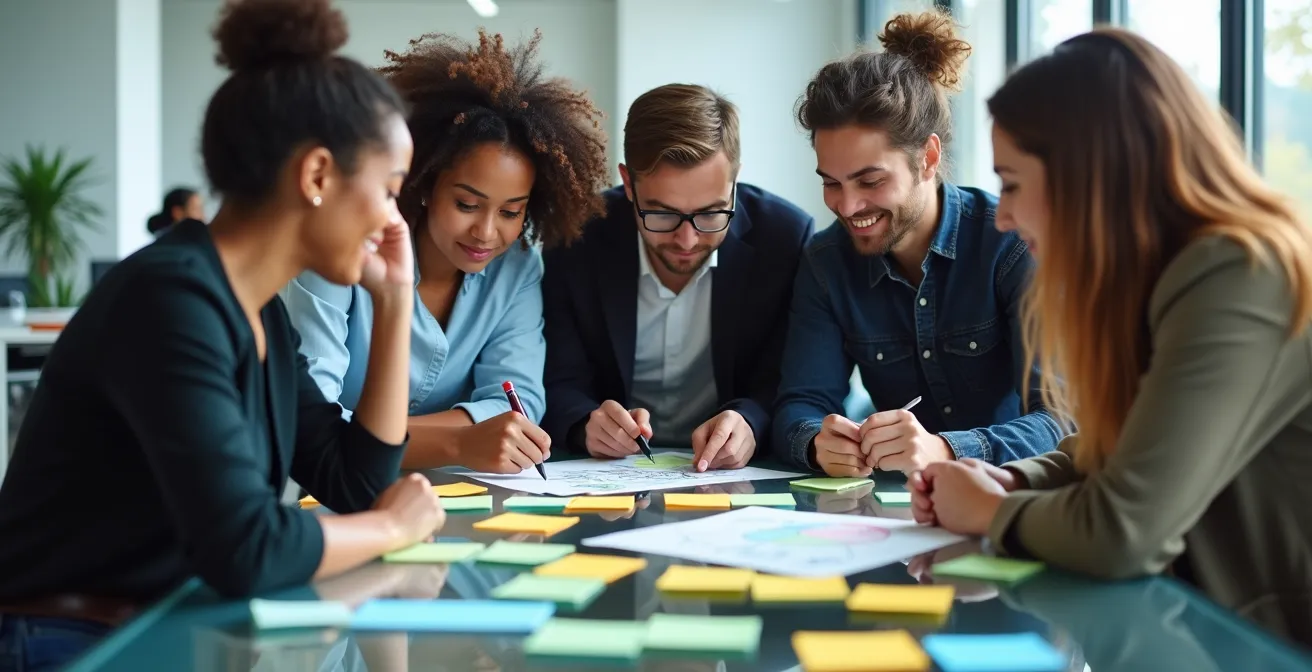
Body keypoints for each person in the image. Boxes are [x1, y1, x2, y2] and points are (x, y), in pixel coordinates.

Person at [0, 0, 445, 666]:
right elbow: (249, 550)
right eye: (389, 188)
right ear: (317, 175)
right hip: (69, 641)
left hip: (167, 624)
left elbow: (352, 482)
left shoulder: (256, 308)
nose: (392, 218)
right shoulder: (170, 299)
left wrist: (394, 303)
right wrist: (390, 527)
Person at [911, 28, 1312, 646]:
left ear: (1090, 174)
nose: (1003, 216)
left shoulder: (1239, 274)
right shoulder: (1167, 278)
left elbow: (1125, 531)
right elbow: (1113, 448)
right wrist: (1014, 482)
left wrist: (990, 512)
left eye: (1013, 182)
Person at [284, 29, 610, 475]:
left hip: (463, 496)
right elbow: (311, 423)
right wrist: (459, 439)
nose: (486, 233)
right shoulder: (339, 256)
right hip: (331, 496)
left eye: (512, 212)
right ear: (423, 184)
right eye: (466, 204)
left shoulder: (517, 269)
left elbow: (521, 402)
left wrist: (395, 437)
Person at [772, 11, 1065, 478]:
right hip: (894, 514)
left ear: (927, 158)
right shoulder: (826, 262)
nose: (847, 206)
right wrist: (816, 442)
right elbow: (800, 404)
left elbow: (1062, 418)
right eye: (831, 183)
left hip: (1009, 500)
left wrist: (946, 449)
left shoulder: (1010, 245)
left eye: (870, 180)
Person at [542, 84, 815, 472]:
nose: (687, 240)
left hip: (734, 479)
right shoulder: (575, 238)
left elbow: (788, 378)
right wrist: (586, 423)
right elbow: (557, 377)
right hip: (608, 477)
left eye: (710, 214)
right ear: (629, 183)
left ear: (734, 181)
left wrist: (751, 421)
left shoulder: (785, 239)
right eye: (662, 214)